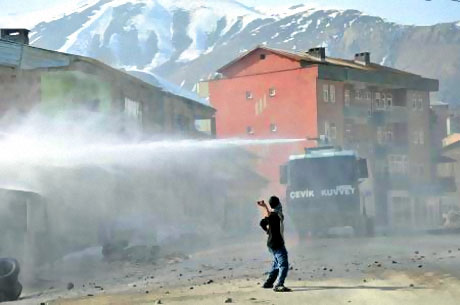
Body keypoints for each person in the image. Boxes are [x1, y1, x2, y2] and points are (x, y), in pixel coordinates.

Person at [257, 196, 291, 292]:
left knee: (277, 264)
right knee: (284, 265)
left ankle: (268, 283)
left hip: (272, 244)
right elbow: (266, 220)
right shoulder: (275, 215)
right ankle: (279, 285)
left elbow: (263, 222)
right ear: (278, 204)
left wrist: (268, 231)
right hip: (277, 244)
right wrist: (265, 207)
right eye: (279, 203)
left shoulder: (276, 215)